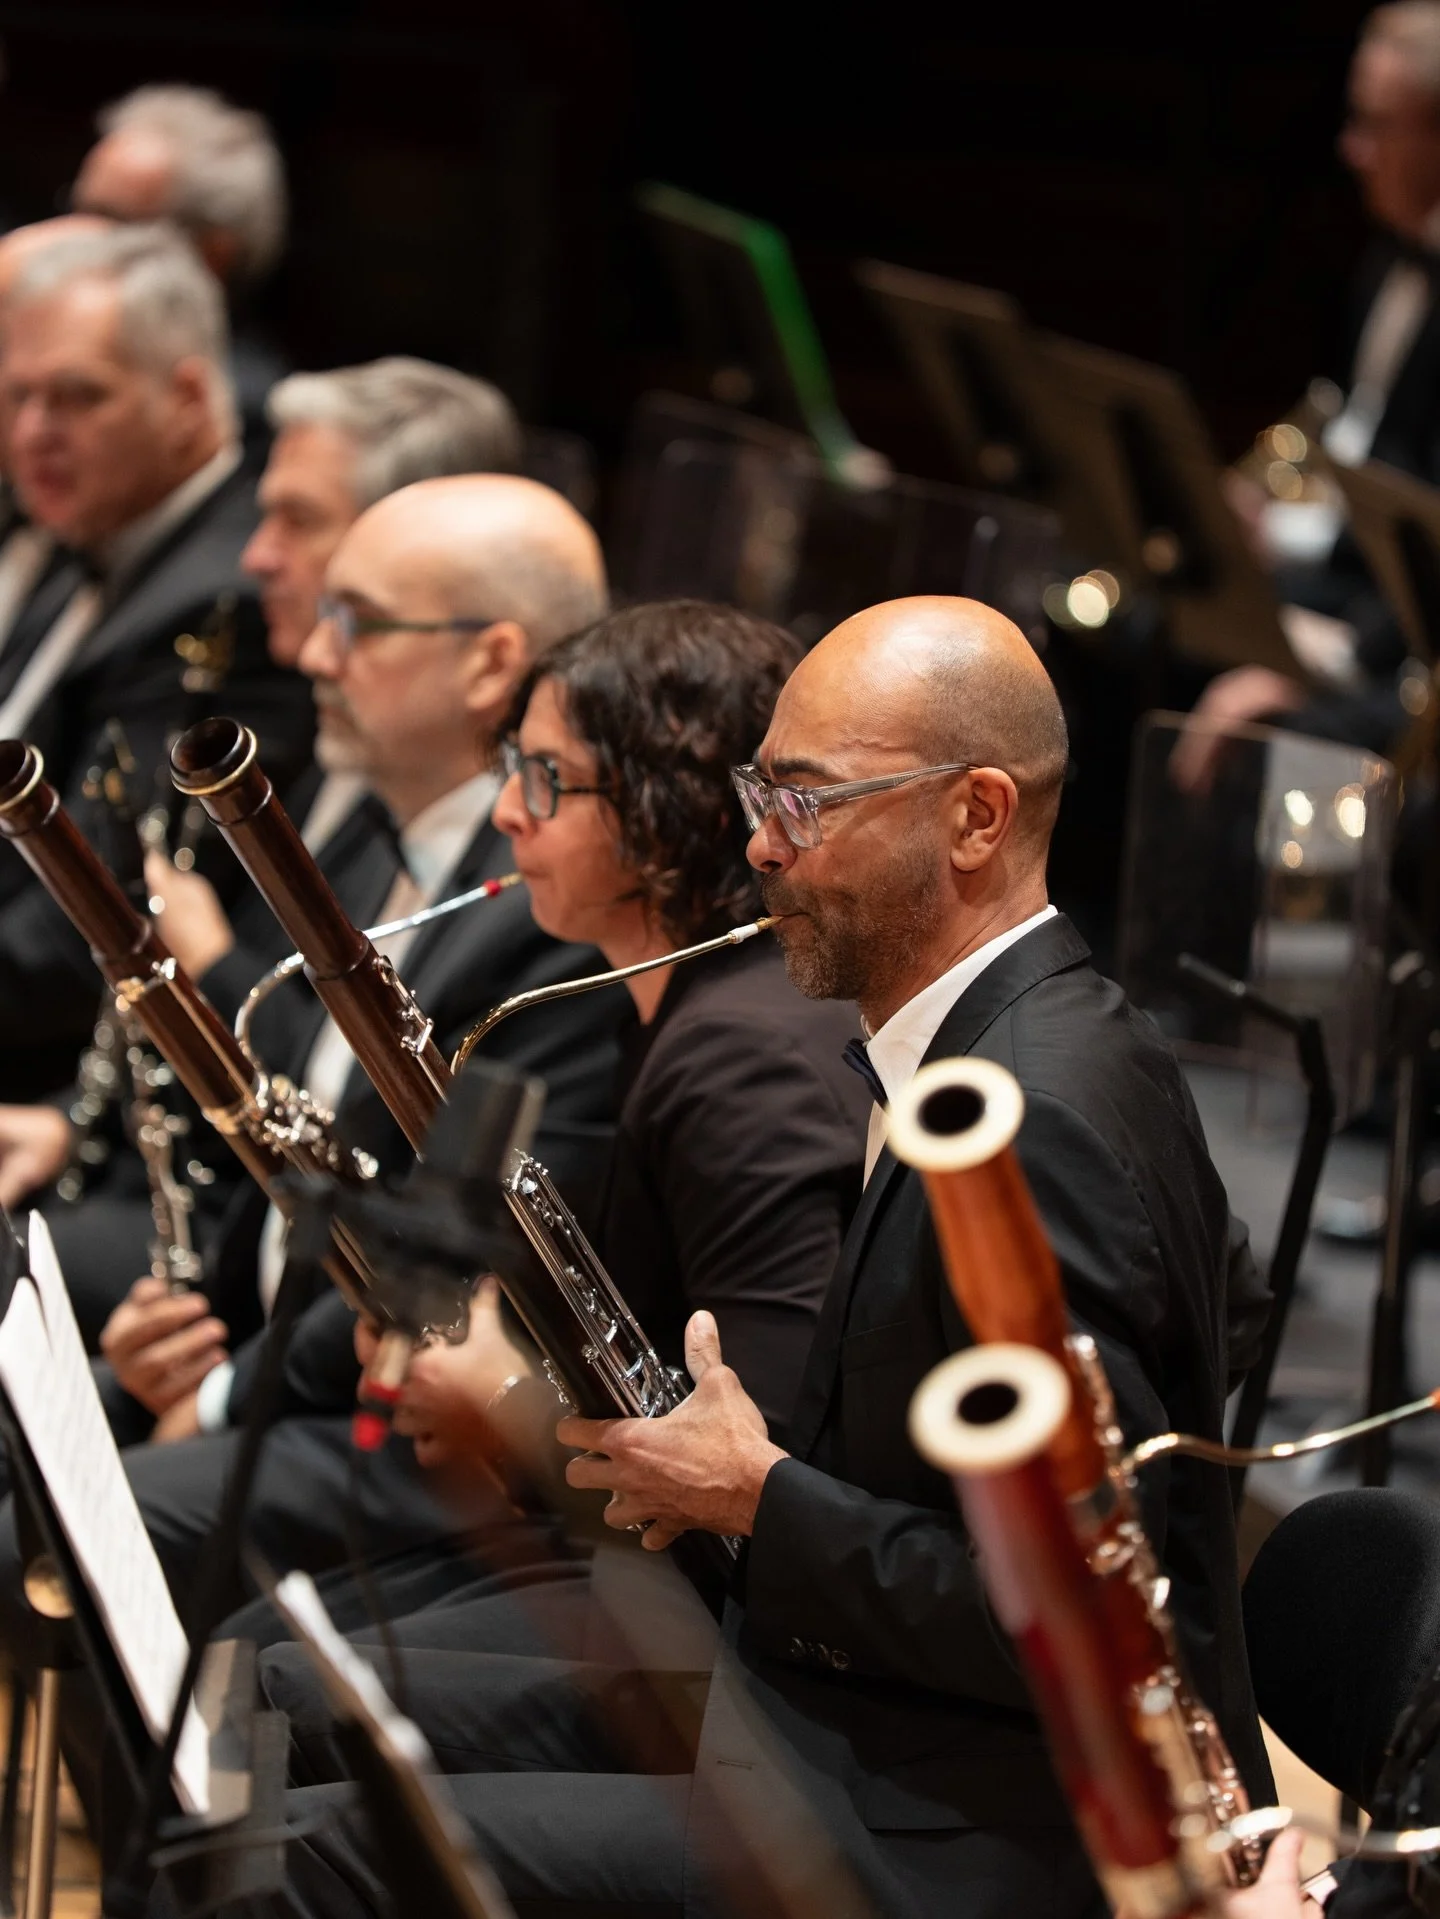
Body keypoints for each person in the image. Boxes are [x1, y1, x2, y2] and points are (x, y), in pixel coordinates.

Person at [231, 594, 1271, 1919]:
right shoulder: (1034, 1038)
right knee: (281, 1725)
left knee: (302, 1852)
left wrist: (757, 1493)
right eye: (757, 789)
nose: (759, 844)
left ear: (977, 815)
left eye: (807, 800)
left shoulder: (1032, 1112)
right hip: (853, 1713)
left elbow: (1073, 1605)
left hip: (965, 1830)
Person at [0, 473, 624, 1838]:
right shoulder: (353, 823)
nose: (308, 650)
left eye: (358, 617)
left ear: (491, 662)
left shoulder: (552, 922)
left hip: (403, 1430)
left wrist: (226, 1387)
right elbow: (293, 1152)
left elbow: (457, 1276)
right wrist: (203, 1322)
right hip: (282, 1357)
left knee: (38, 1529)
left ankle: (151, 1849)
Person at [244, 600, 871, 1767]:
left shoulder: (741, 1055)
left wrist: (511, 1403)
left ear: (665, 802)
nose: (505, 810)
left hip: (747, 1654)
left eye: (546, 776)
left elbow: (761, 1465)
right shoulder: (665, 1012)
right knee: (258, 1654)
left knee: (275, 1688)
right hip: (643, 1566)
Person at [0, 355, 524, 1343]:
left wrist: (210, 963)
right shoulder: (340, 742)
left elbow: (356, 1088)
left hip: (294, 1274)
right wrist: (76, 1116)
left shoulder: (425, 785)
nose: (255, 555)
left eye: (297, 519)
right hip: (217, 1210)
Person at [0, 221, 312, 1100]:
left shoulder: (226, 603)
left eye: (76, 397)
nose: (32, 432)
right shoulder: (96, 520)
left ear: (185, 397)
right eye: (19, 395)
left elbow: (93, 915)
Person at [1189, 2, 1440, 760]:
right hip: (1351, 585)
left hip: (1400, 649)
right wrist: (1266, 507)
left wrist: (1312, 666)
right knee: (1150, 613)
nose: (1351, 149)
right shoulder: (1385, 261)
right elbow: (1354, 432)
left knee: (1267, 737)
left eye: (1376, 124)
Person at [71, 84, 289, 458]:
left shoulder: (249, 411)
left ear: (211, 255)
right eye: (78, 212)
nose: (72, 238)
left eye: (113, 223)